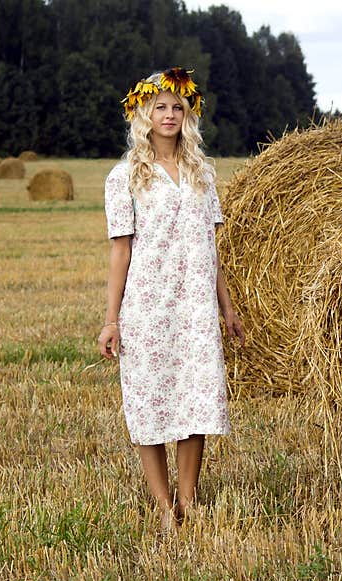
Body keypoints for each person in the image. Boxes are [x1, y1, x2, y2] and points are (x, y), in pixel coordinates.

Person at [97, 67, 246, 533]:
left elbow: (211, 247)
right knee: (151, 403)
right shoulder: (124, 178)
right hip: (148, 305)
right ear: (144, 114)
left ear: (188, 115)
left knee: (196, 402)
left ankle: (189, 501)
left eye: (176, 107)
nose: (168, 114)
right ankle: (164, 507)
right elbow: (121, 251)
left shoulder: (203, 174)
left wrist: (227, 307)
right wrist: (111, 320)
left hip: (196, 307)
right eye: (159, 107)